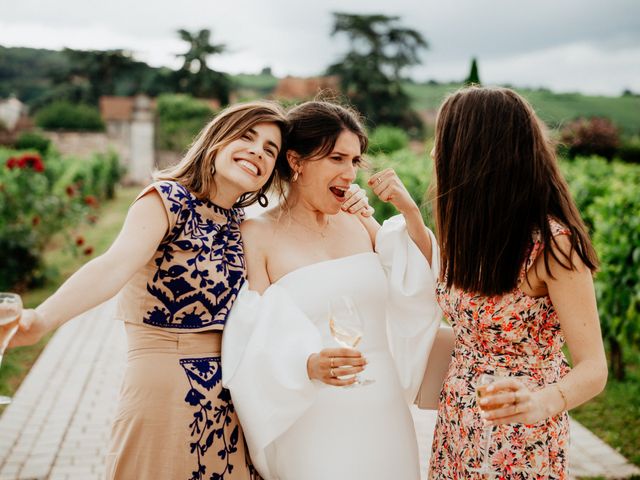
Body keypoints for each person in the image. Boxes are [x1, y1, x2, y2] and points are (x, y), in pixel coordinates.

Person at [10, 101, 303, 479]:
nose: (257, 152)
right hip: (166, 388)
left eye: (269, 149)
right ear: (216, 141)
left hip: (233, 400)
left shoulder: (241, 225)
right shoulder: (167, 199)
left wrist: (351, 208)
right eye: (247, 137)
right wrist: (40, 320)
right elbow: (112, 266)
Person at [220, 100, 442, 480]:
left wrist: (410, 213)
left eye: (355, 161)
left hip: (382, 406)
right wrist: (305, 364)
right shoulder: (256, 233)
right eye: (337, 158)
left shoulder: (361, 221)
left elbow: (420, 283)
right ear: (296, 161)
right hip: (312, 411)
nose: (349, 172)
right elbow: (251, 332)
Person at [427, 86, 608, 479]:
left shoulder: (554, 247)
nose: (432, 155)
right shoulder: (468, 233)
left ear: (475, 154)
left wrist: (544, 403)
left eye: (444, 142)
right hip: (458, 421)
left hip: (519, 436)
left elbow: (594, 367)